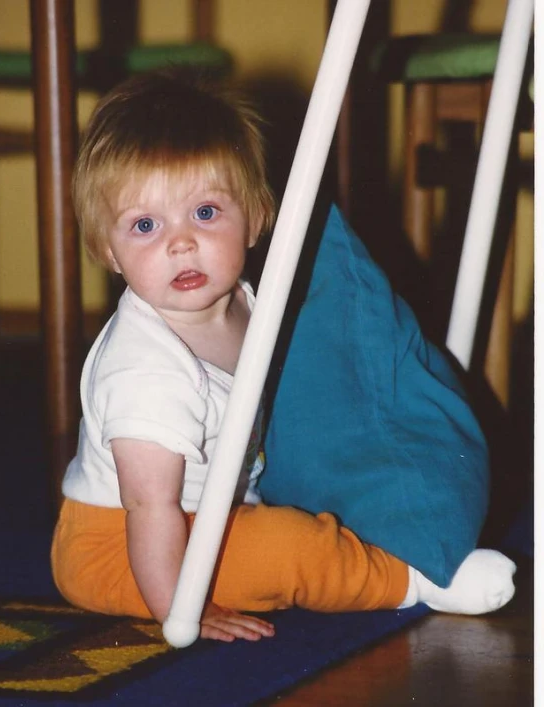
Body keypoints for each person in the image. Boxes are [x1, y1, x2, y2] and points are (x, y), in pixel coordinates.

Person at [51, 71, 516, 643]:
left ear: (256, 216)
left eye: (205, 213)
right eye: (145, 225)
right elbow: (151, 507)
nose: (180, 242)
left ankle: (381, 539)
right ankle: (417, 580)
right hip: (123, 548)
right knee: (289, 547)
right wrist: (181, 608)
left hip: (212, 514)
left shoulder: (249, 305)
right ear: (108, 251)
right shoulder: (145, 370)